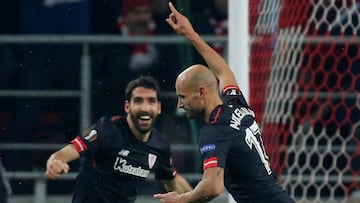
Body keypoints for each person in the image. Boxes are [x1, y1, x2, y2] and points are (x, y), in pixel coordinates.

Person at [153, 3, 296, 203]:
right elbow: (222, 71)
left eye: (183, 97)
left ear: (201, 92)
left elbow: (213, 187)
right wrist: (191, 34)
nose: (179, 104)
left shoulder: (214, 131)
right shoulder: (236, 103)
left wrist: (182, 199)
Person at [45, 75, 192, 203]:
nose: (145, 108)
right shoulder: (107, 130)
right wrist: (55, 160)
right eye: (138, 101)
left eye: (151, 101)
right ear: (127, 106)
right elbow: (73, 148)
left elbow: (173, 180)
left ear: (158, 107)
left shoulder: (160, 144)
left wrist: (199, 196)